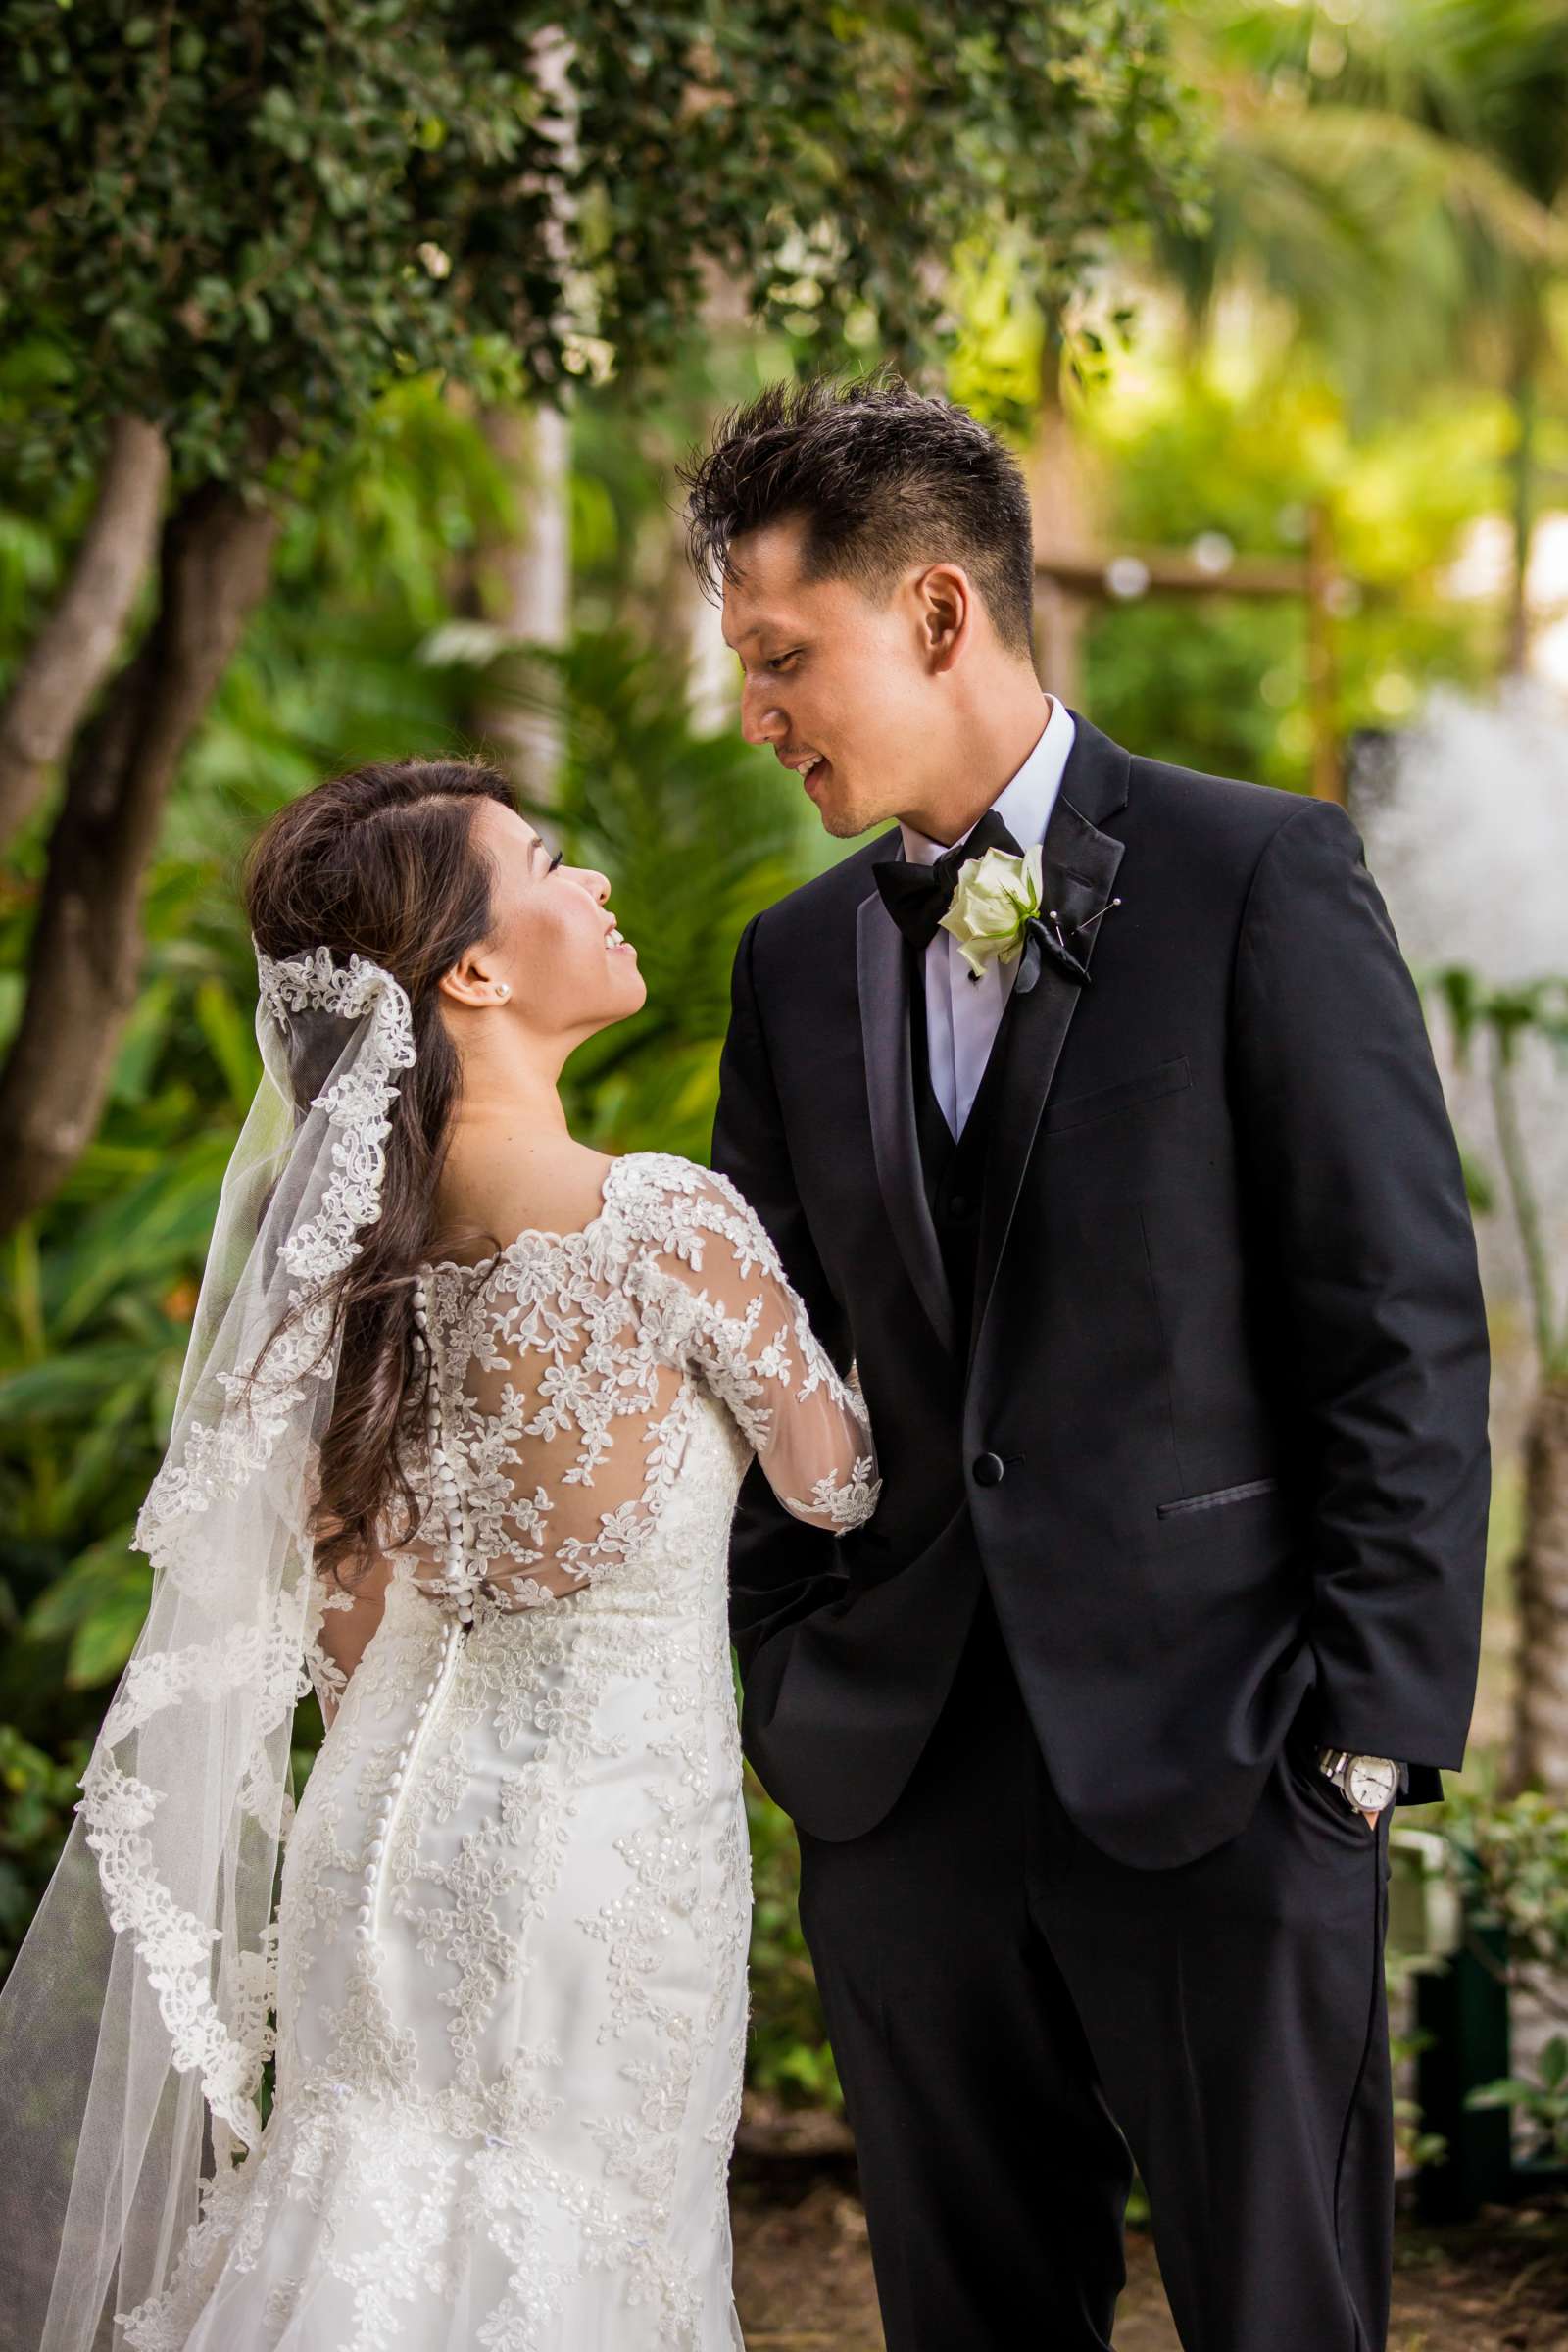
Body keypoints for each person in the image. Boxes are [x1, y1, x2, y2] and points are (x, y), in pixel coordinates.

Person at [681, 370, 1492, 2352]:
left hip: (1229, 1764)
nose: (755, 710)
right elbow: (750, 1340)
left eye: (783, 655)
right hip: (901, 1789)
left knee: (1276, 2316)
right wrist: (794, 1674)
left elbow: (1388, 1317)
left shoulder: (1256, 876)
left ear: (939, 612)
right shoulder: (795, 963)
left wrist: (1355, 1748)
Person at [0, 757, 879, 2352]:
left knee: (360, 2217)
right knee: (570, 2257)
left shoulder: (351, 1265)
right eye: (549, 858)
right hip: (605, 1855)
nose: (595, 882)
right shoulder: (661, 1220)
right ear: (472, 968)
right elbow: (835, 1484)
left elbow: (335, 1592)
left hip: (379, 1833)